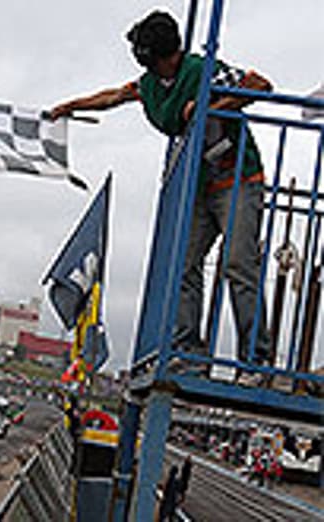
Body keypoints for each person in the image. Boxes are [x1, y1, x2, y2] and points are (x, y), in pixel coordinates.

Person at [50, 10, 273, 384]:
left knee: (238, 264)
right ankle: (190, 353)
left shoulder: (203, 69)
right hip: (199, 187)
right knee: (184, 265)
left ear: (170, 55)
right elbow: (114, 96)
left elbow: (260, 84)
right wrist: (70, 106)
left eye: (157, 62)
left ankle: (257, 360)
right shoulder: (151, 84)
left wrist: (205, 110)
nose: (155, 70)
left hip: (236, 180)